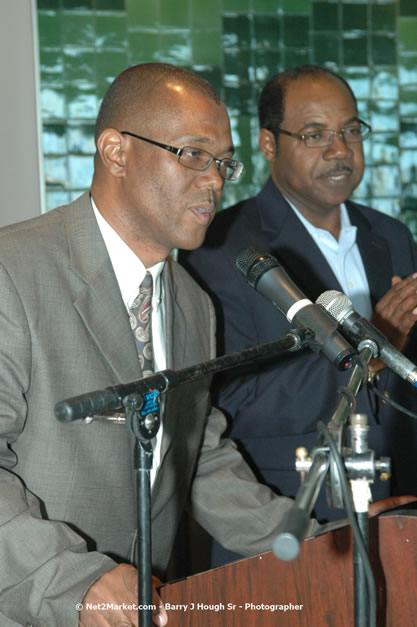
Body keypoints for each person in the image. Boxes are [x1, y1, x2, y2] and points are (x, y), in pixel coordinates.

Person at [0, 63, 320, 627]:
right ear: (116, 152)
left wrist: (314, 543)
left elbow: (196, 460)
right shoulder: (14, 272)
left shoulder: (193, 303)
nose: (215, 181)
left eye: (223, 162)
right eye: (193, 154)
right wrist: (73, 582)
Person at [181, 65, 417, 566]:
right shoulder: (225, 249)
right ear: (268, 143)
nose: (340, 150)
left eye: (351, 130)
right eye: (315, 135)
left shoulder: (393, 237)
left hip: (397, 512)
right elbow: (230, 400)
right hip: (283, 523)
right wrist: (368, 351)